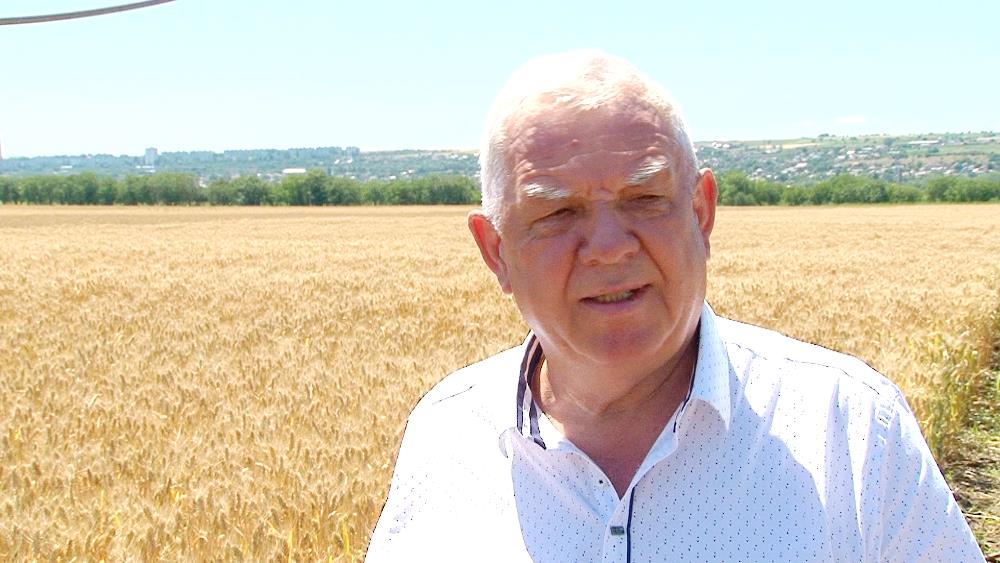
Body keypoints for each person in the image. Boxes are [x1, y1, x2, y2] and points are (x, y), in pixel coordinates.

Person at [366, 50, 985, 562]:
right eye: (557, 212)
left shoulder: (852, 428)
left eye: (644, 199)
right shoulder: (445, 435)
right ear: (495, 251)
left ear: (702, 211)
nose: (609, 247)